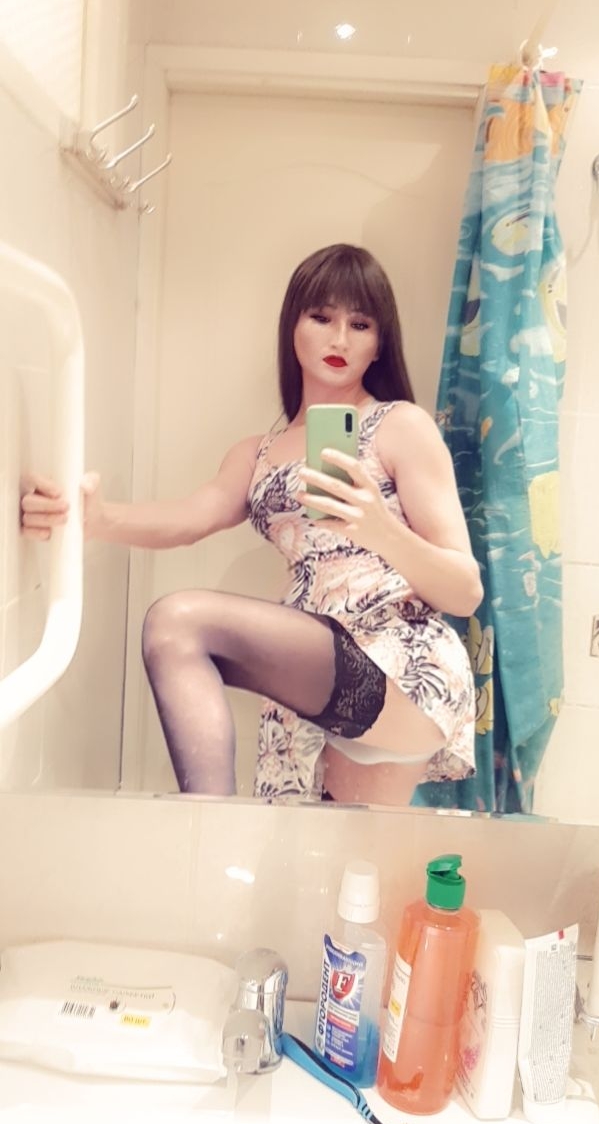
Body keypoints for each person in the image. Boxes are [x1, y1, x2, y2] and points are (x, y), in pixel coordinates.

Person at [20, 244, 482, 806]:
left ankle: (205, 832)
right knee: (332, 853)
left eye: (360, 325)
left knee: (176, 622)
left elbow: (465, 590)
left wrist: (381, 529)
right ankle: (218, 836)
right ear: (293, 327)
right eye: (322, 318)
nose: (340, 340)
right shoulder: (256, 453)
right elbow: (190, 517)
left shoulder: (400, 425)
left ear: (379, 342)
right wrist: (96, 518)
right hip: (315, 674)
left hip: (400, 664)